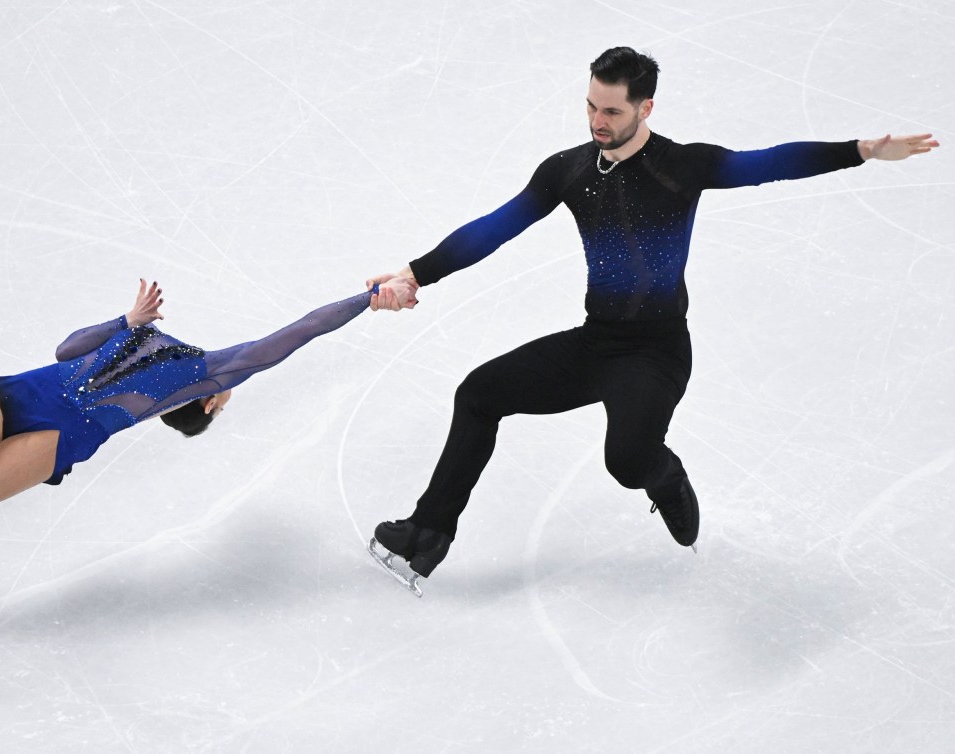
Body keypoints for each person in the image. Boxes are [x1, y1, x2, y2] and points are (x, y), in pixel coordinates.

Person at [364, 46, 939, 587]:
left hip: (656, 353)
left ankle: (664, 476)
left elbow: (771, 163)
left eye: (612, 110)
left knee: (627, 461)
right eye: (591, 105)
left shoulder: (681, 167)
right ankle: (429, 531)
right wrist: (415, 274)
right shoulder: (566, 170)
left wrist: (860, 150)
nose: (597, 120)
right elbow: (495, 227)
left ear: (646, 107)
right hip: (596, 343)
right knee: (479, 393)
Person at [0, 278, 415, 602]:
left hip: (36, 397)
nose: (226, 395)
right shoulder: (210, 369)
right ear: (212, 402)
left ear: (202, 406)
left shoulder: (195, 370)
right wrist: (364, 300)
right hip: (50, 420)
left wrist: (123, 322)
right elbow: (297, 333)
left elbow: (66, 348)